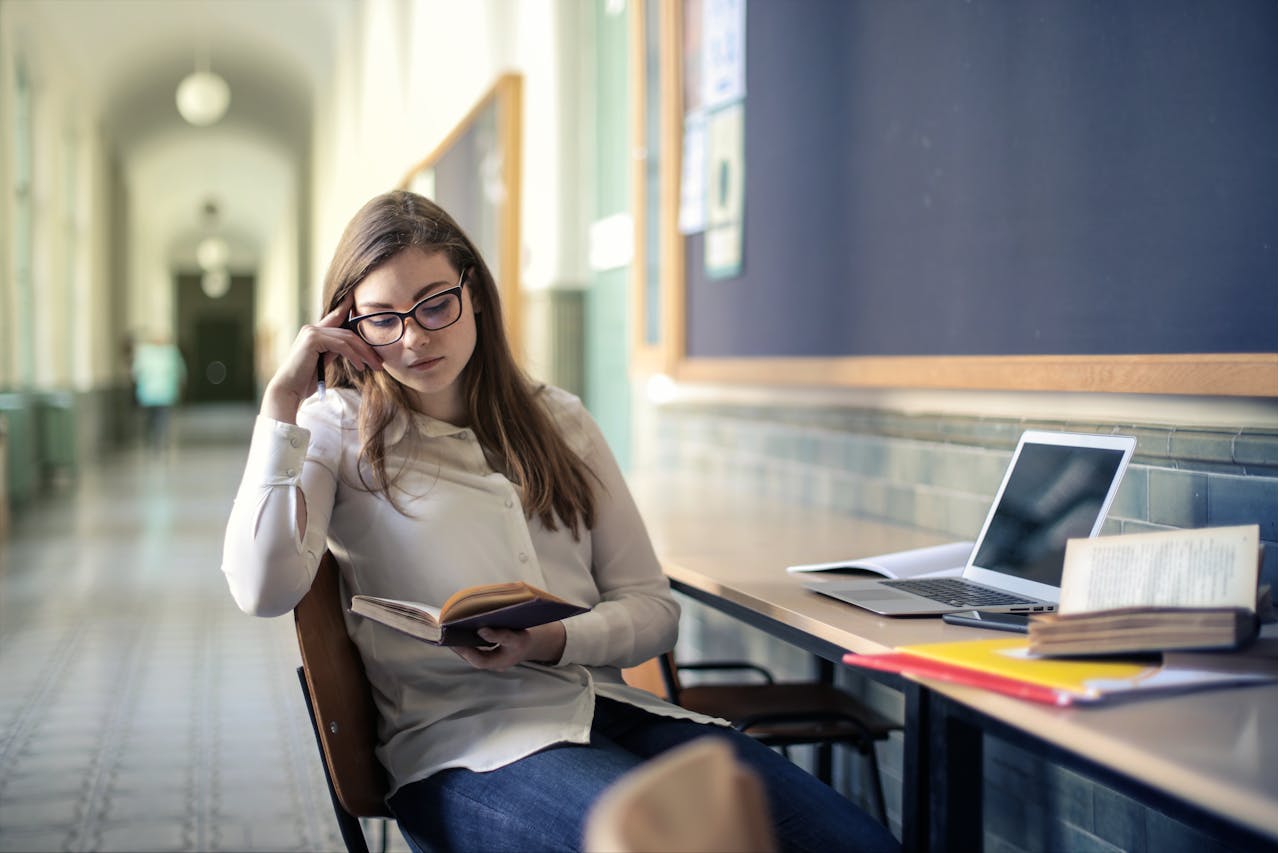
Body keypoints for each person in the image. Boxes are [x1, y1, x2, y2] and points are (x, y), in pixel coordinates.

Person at [220, 189, 899, 853]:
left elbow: (653, 612)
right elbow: (264, 590)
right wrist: (281, 404)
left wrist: (550, 640)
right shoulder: (335, 428)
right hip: (465, 749)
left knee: (857, 842)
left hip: (610, 713)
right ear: (349, 327)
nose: (415, 337)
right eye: (382, 319)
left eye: (435, 304)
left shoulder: (560, 420)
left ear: (475, 291)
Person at [131, 332, 186, 449]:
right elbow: (181, 371)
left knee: (154, 417)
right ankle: (158, 438)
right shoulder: (169, 353)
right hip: (162, 393)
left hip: (149, 393)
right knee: (161, 417)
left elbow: (135, 372)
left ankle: (154, 437)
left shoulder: (145, 353)